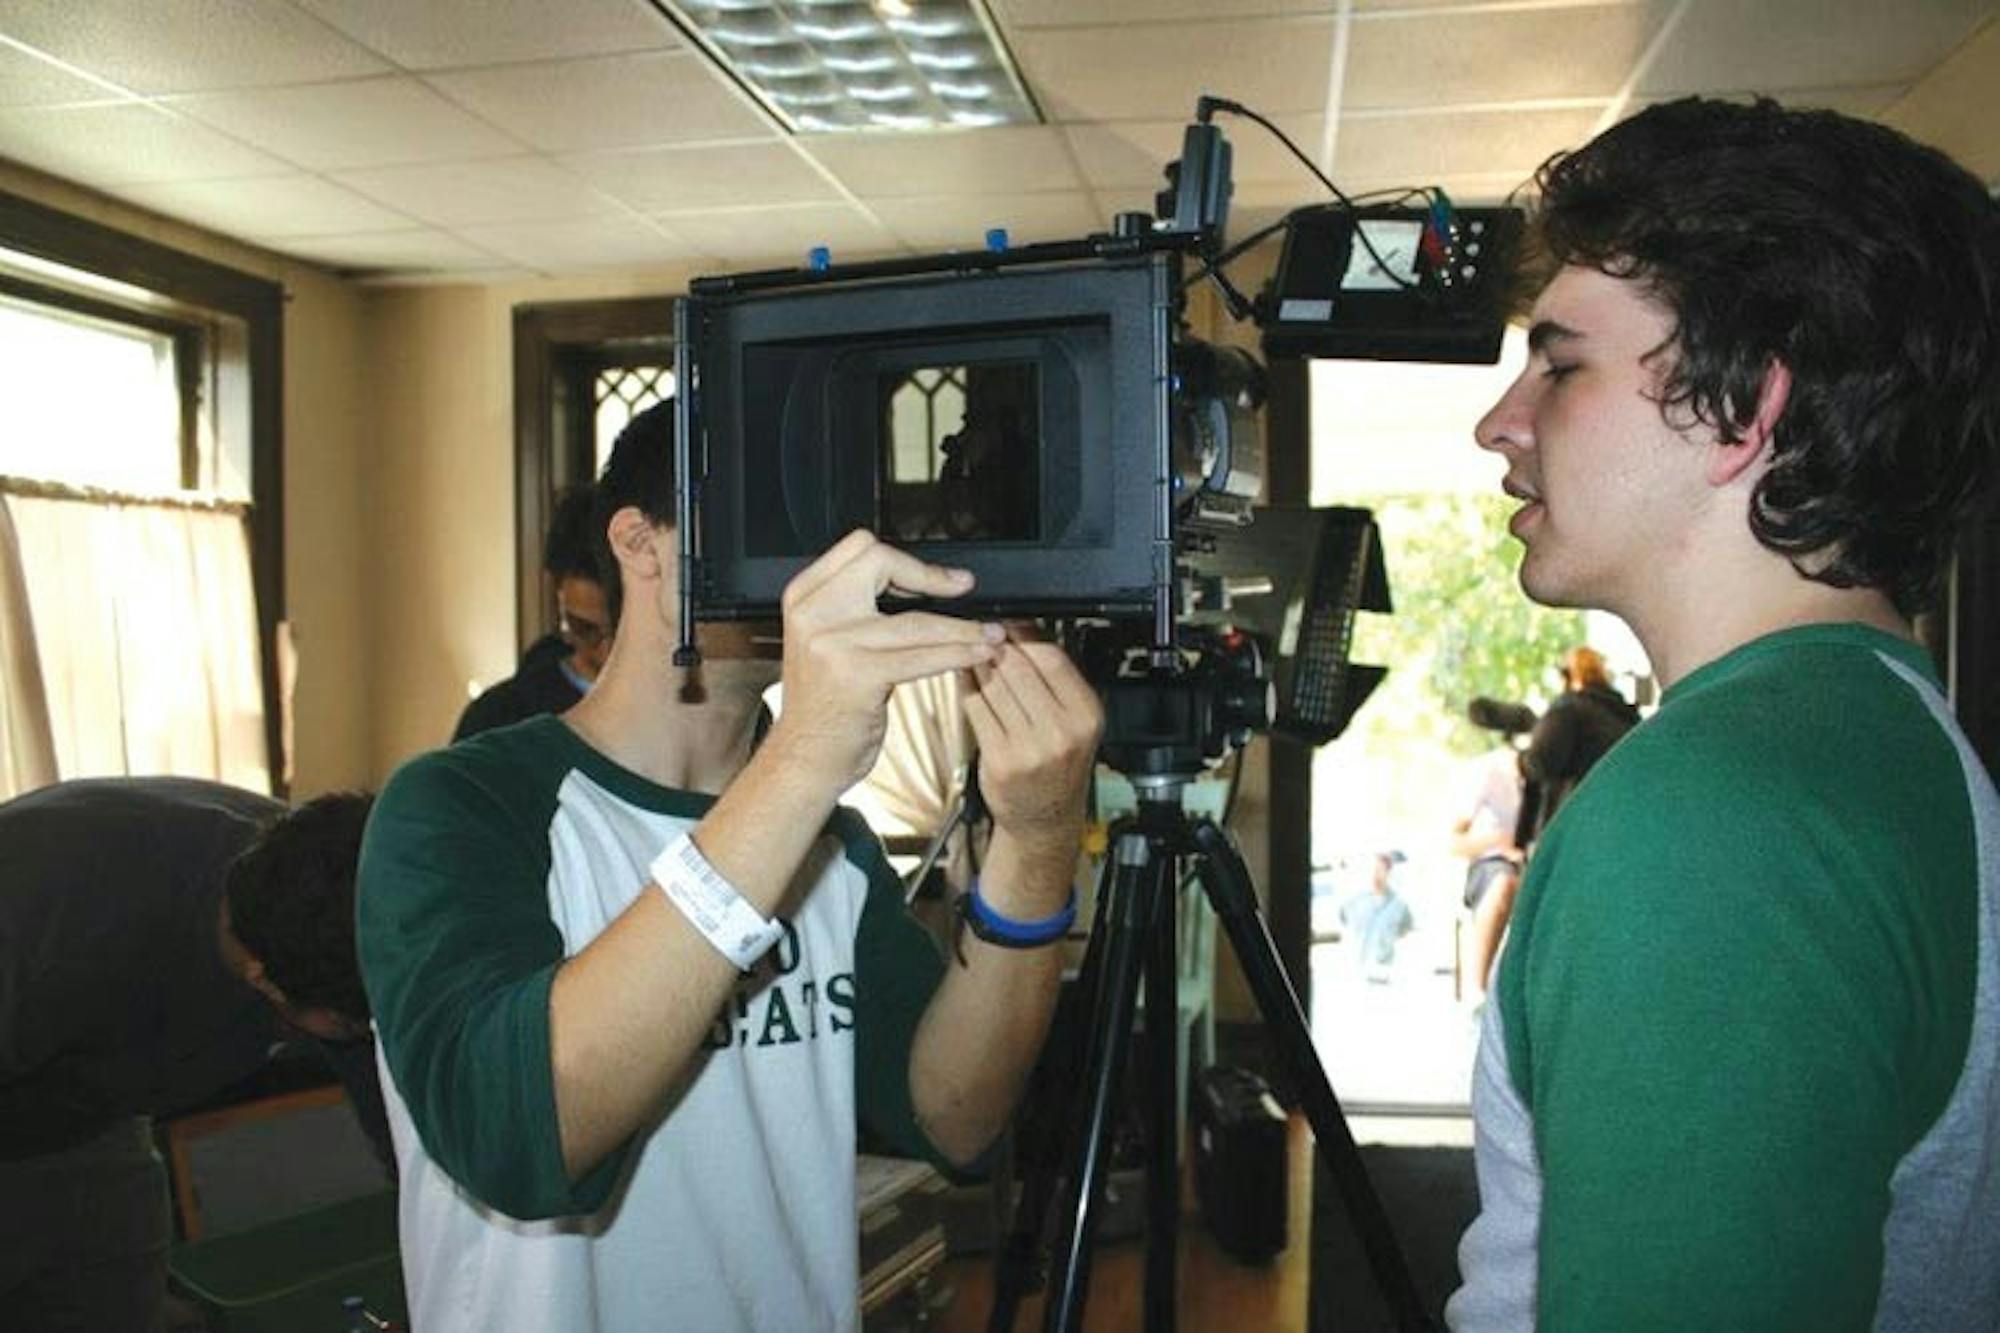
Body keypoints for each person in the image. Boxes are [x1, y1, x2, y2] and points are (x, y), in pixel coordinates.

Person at [357, 401, 1102, 1333]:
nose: (813, 567)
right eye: (769, 520)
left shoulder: (832, 847)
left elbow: (957, 1116)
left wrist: (1035, 842)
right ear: (640, 543)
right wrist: (804, 756)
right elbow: (518, 1141)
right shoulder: (460, 805)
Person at [1447, 97, 2000, 1332]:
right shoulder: (1884, 725)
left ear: (1739, 407)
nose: (1498, 423)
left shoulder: (1710, 816)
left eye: (1560, 365)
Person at [0, 778, 379, 1333]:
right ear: (264, 982)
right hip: (30, 1060)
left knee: (118, 1293)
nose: (363, 1036)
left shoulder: (327, 887)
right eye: (350, 1026)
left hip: (89, 1110)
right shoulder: (48, 922)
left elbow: (399, 1128)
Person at [453, 484, 611, 740]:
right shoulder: (499, 719)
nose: (607, 652)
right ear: (555, 592)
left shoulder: (675, 709)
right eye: (586, 630)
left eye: (623, 630)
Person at [1339, 849, 1414, 983]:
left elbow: (1405, 933)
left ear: (1389, 873)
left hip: (1385, 975)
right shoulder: (1353, 903)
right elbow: (1343, 923)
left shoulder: (1400, 907)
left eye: (1381, 870)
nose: (1376, 875)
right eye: (1374, 870)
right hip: (1356, 976)